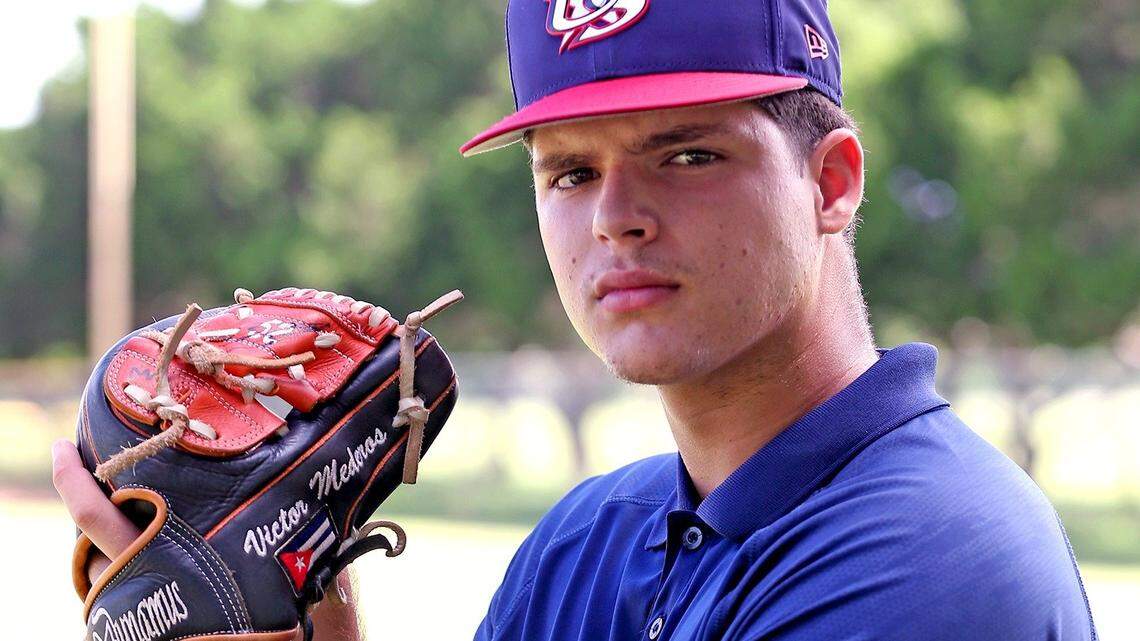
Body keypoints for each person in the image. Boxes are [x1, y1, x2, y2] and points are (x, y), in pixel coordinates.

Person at [54, 0, 1098, 639]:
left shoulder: (933, 559)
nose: (617, 218)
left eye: (688, 154)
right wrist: (299, 618)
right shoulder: (586, 540)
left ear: (831, 181)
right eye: (569, 170)